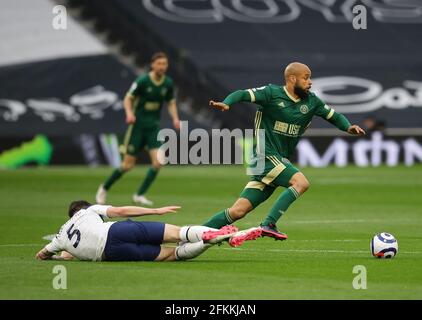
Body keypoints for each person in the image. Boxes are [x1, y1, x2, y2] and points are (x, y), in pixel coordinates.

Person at [203, 62, 366, 239]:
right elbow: (242, 94)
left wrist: (348, 127)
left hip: (277, 159)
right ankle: (268, 224)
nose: (310, 82)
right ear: (292, 78)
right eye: (306, 77)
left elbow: (334, 116)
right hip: (265, 156)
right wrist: (227, 103)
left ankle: (190, 234)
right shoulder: (271, 93)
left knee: (237, 211)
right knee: (301, 183)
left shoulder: (311, 101)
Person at [35, 200, 262, 262]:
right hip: (117, 232)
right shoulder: (89, 211)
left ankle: (211, 240)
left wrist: (59, 256)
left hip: (111, 255)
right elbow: (122, 210)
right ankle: (212, 233)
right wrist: (155, 210)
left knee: (172, 255)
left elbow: (42, 255)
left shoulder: (61, 237)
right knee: (179, 233)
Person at [96, 52, 180, 206]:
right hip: (138, 127)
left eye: (165, 64)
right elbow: (128, 98)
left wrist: (175, 118)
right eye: (159, 64)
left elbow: (171, 102)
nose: (162, 67)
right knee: (128, 165)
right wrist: (129, 113)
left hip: (153, 127)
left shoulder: (167, 83)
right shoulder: (142, 81)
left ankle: (139, 194)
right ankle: (104, 187)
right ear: (153, 65)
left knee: (158, 162)